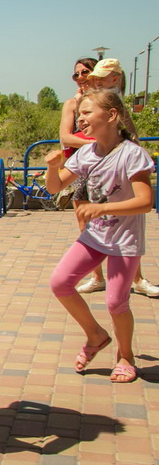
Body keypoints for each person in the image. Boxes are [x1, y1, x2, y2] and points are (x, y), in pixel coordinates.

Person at [45, 89, 152, 384]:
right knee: (60, 283)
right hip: (95, 237)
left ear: (112, 115)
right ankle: (95, 335)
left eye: (87, 112)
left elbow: (145, 202)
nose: (80, 119)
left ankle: (126, 357)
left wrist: (102, 208)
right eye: (79, 113)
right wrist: (52, 168)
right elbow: (55, 187)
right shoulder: (86, 153)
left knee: (116, 302)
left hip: (125, 240)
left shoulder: (132, 154)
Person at [71, 59, 158, 297]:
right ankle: (97, 277)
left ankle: (136, 278)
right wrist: (95, 145)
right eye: (77, 74)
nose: (84, 78)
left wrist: (117, 148)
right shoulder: (76, 102)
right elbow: (65, 137)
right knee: (88, 224)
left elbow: (130, 135)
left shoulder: (112, 105)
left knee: (125, 224)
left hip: (115, 168)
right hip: (86, 169)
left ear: (115, 79)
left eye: (88, 73)